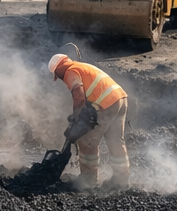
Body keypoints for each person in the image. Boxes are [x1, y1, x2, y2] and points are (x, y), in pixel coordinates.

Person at [49, 53, 130, 188]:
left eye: (57, 74)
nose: (60, 78)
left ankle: (88, 180)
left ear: (58, 69)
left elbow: (78, 92)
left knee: (87, 142)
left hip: (106, 104)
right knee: (116, 142)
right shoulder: (82, 67)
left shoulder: (70, 71)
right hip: (120, 99)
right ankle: (121, 180)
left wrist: (76, 116)